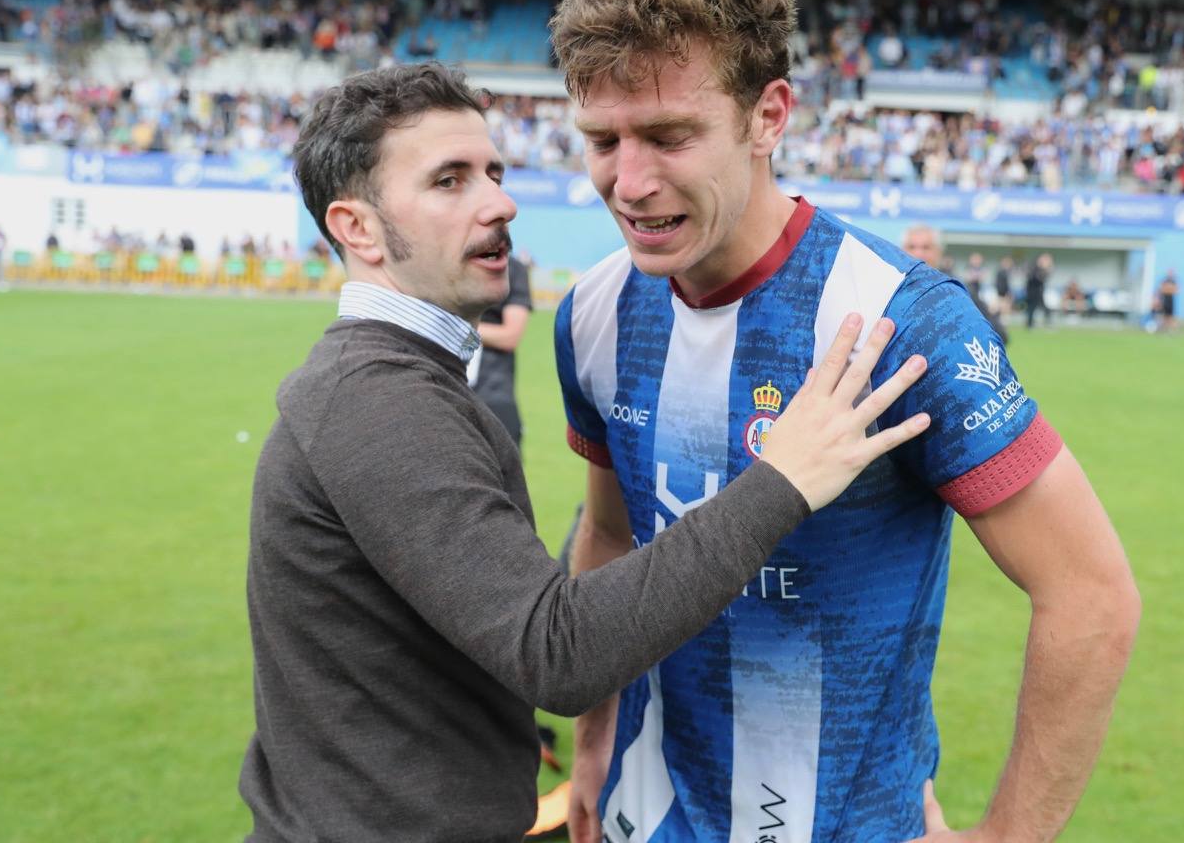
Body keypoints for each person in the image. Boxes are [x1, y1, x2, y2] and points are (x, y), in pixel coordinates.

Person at [238, 61, 932, 843]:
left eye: (494, 172)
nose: (499, 203)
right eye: (449, 181)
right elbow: (556, 651)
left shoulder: (394, 382)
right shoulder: (377, 400)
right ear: (357, 228)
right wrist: (783, 479)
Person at [549, 0, 1140, 841]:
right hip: (645, 821)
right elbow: (612, 536)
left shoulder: (901, 320)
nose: (628, 182)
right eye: (602, 140)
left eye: (670, 136)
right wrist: (592, 742)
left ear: (769, 116)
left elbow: (1092, 595)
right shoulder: (593, 311)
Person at [468, 252, 533, 446]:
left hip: (494, 393)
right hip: (445, 388)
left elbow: (510, 335)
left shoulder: (512, 269)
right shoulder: (445, 263)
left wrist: (455, 327)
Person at [1025, 252, 1052, 329]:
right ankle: (1029, 324)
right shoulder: (1034, 267)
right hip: (1032, 292)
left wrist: (1047, 269)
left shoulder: (1041, 269)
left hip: (1039, 293)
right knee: (1031, 308)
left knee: (1043, 308)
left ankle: (1047, 322)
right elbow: (1034, 279)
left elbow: (1043, 279)